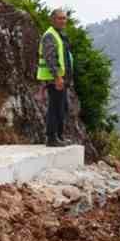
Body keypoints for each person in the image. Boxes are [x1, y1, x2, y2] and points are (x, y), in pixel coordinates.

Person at [37, 9, 73, 146]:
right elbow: (50, 58)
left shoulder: (61, 35)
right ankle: (52, 138)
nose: (63, 21)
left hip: (62, 78)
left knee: (61, 107)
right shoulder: (50, 35)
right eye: (59, 18)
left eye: (64, 18)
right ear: (52, 20)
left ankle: (59, 136)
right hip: (54, 78)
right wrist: (57, 77)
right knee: (55, 107)